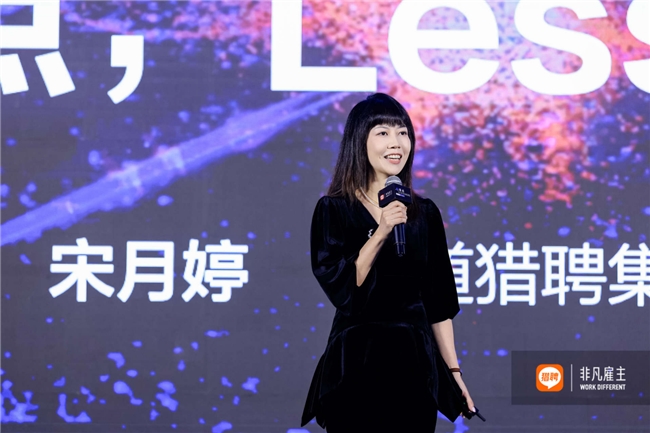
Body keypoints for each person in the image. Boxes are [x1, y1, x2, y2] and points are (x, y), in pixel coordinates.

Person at [301, 93, 476, 432]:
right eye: (383, 132)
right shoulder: (333, 209)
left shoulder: (425, 213)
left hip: (414, 363)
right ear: (360, 141)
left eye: (403, 132)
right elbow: (344, 287)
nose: (396, 143)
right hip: (355, 362)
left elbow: (438, 304)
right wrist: (381, 230)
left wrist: (454, 373)